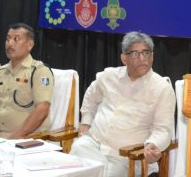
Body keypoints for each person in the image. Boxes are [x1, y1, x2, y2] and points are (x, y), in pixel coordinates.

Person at [70, 31, 175, 176]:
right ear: (124, 58)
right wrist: (86, 123)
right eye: (135, 54)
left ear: (153, 56)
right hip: (94, 145)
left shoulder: (162, 88)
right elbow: (91, 96)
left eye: (146, 53)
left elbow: (163, 129)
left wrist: (153, 145)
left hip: (126, 157)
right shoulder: (108, 76)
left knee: (99, 172)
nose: (142, 58)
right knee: (78, 148)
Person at [0, 23, 54, 139]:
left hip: (28, 139)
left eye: (16, 39)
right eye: (8, 39)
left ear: (30, 45)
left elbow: (42, 109)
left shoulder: (39, 71)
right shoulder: (1, 72)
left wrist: (13, 138)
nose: (10, 43)